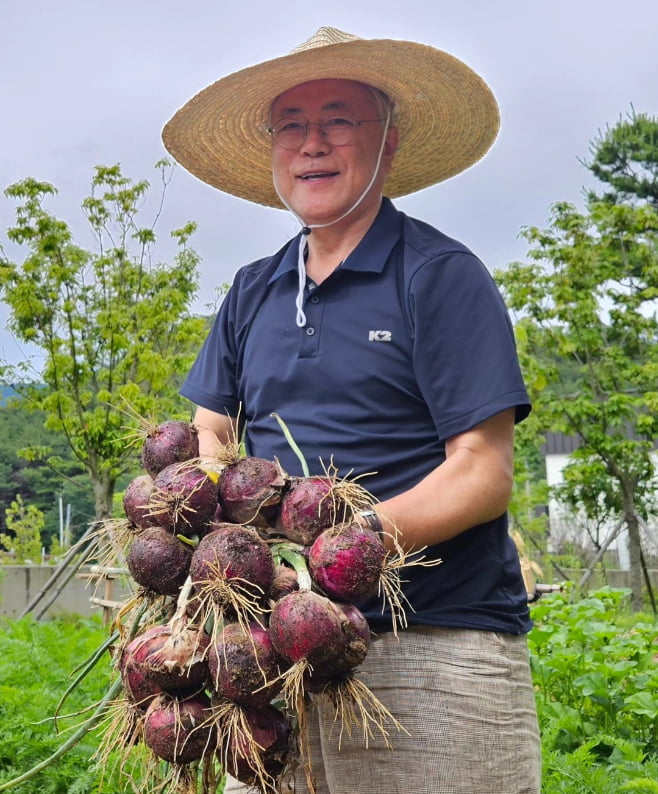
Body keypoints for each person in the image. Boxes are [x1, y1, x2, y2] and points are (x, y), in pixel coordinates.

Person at [162, 26, 541, 794]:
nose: (313, 144)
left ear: (389, 144)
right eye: (292, 125)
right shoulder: (252, 289)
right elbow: (213, 428)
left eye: (339, 120)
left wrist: (346, 547)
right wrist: (222, 543)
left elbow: (483, 473)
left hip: (432, 645)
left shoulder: (438, 276)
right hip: (275, 654)